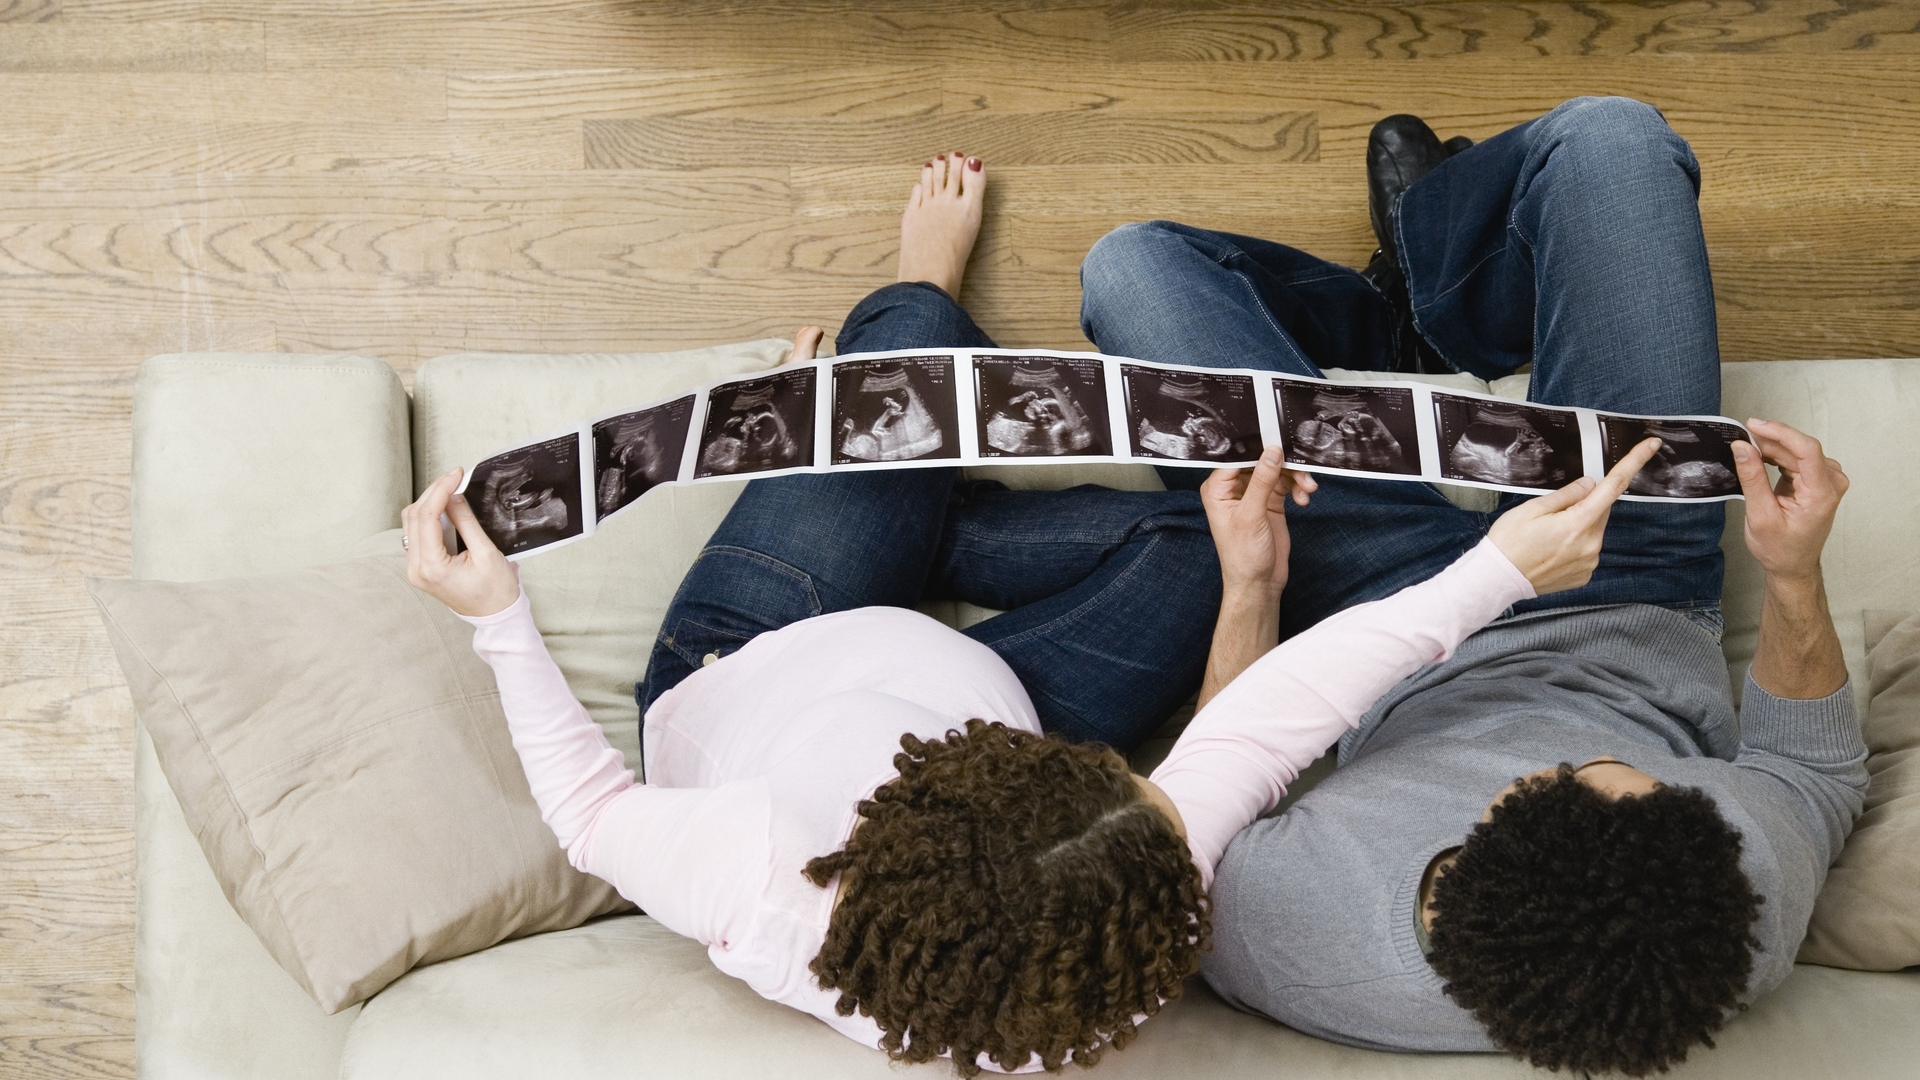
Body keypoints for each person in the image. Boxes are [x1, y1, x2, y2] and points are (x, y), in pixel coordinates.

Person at [400, 150, 1657, 1074]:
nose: (1161, 787)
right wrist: (1476, 571)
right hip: (992, 678)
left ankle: (880, 434)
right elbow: (1274, 720)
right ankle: (892, 490)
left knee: (910, 352)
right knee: (1202, 533)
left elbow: (589, 814)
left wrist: (496, 611)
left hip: (763, 645)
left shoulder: (751, 882)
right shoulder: (1116, 921)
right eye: (1139, 788)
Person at [1076, 97, 1865, 1076]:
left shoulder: (1296, 941)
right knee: (1612, 141)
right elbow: (1818, 775)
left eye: (1573, 770)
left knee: (1135, 268)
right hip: (1628, 584)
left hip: (1387, 620)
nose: (1589, 752)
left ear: (1485, 826)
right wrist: (1792, 571)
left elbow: (1212, 785)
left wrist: (1251, 588)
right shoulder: (1729, 898)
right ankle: (1445, 288)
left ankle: (1393, 329)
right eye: (1642, 773)